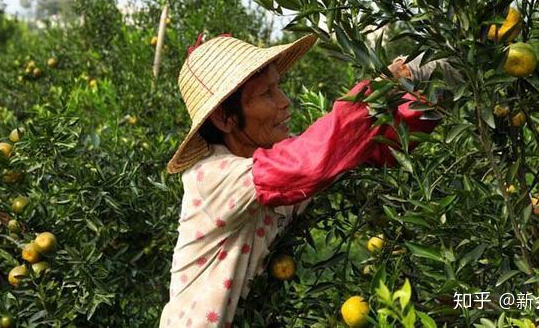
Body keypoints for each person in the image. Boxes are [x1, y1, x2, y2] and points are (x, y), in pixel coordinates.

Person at [159, 33, 450, 327]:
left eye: (279, 87)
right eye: (266, 94)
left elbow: (370, 146)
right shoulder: (212, 177)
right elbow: (311, 161)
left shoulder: (274, 166)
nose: (285, 102)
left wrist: (439, 88)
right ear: (224, 119)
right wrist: (383, 86)